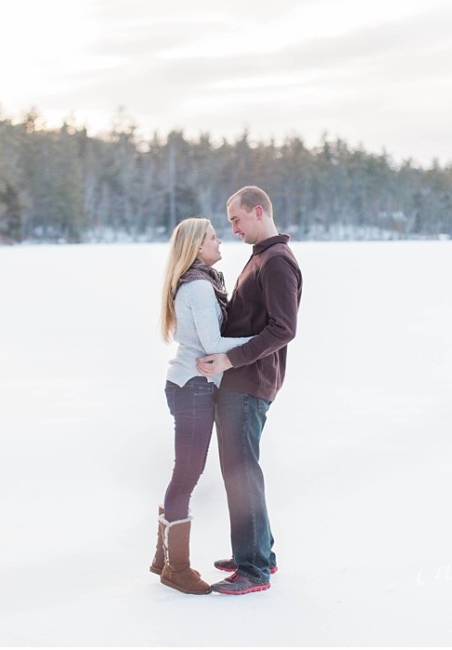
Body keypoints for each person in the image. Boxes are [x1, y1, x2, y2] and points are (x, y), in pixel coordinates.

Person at [196, 185, 302, 595]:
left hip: (250, 380)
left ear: (258, 211)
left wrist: (229, 360)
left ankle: (254, 568)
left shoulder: (276, 262)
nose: (233, 229)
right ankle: (257, 554)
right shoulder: (261, 258)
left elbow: (283, 328)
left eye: (237, 220)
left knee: (242, 474)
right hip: (242, 379)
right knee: (240, 471)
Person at [150, 217, 253, 595]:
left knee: (184, 474)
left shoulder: (199, 283)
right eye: (213, 237)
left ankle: (163, 559)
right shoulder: (198, 287)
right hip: (192, 387)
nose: (219, 241)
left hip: (188, 385)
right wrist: (266, 336)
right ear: (196, 247)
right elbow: (212, 342)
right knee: (187, 476)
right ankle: (177, 569)